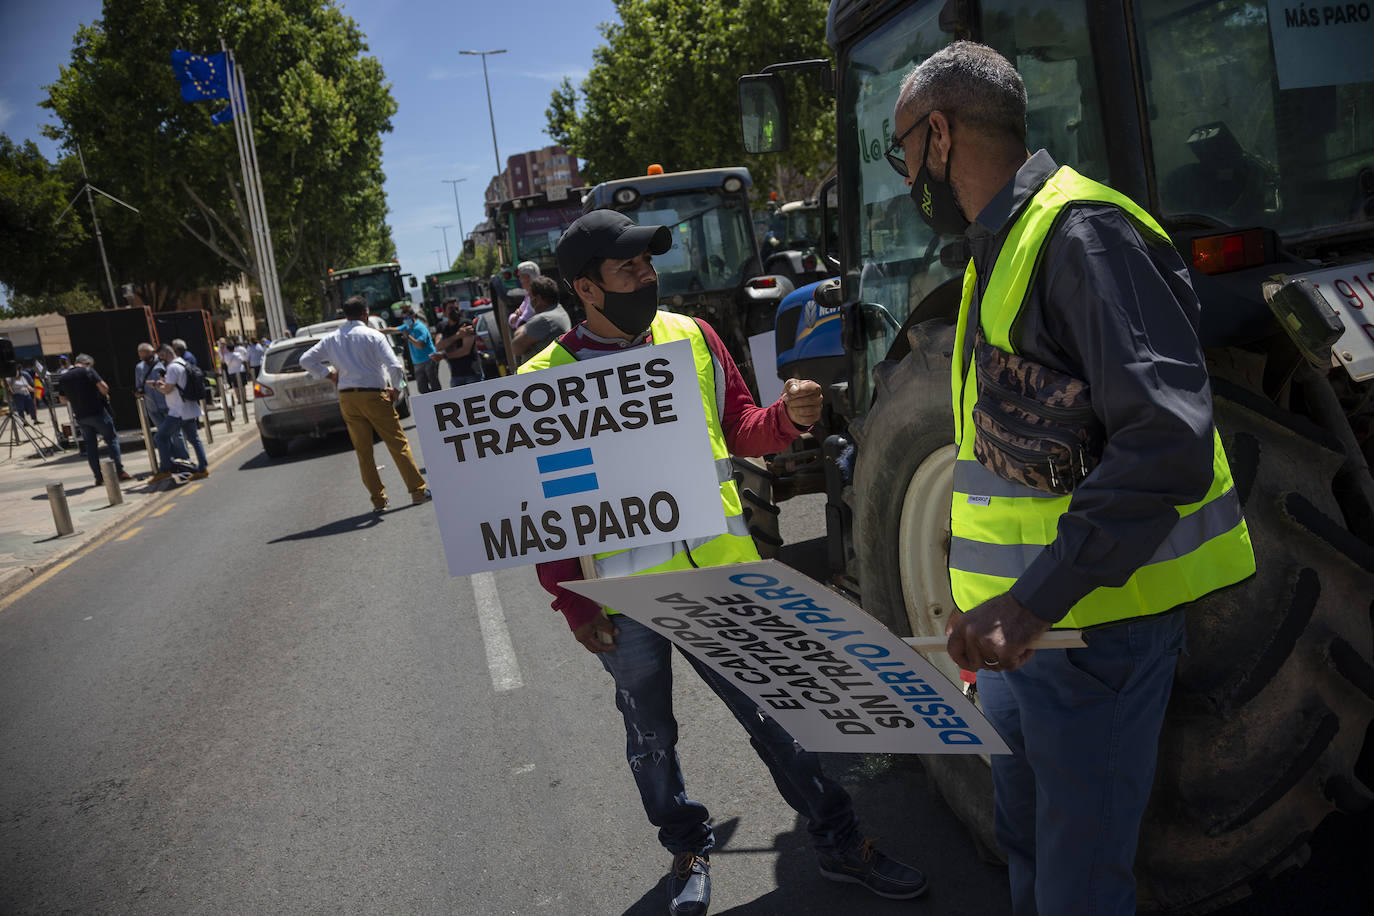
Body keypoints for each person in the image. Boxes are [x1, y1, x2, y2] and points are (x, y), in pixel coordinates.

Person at [889, 42, 1255, 915]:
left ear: (939, 135)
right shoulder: (1000, 247)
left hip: (1091, 633)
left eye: (902, 150)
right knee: (1029, 849)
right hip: (1023, 642)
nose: (905, 175)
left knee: (1080, 887)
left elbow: (1165, 440)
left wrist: (1032, 602)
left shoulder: (1081, 233)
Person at [526, 210, 927, 916]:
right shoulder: (540, 381)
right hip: (622, 601)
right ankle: (686, 848)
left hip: (719, 579)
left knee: (784, 719)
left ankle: (840, 840)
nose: (648, 277)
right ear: (586, 288)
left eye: (650, 264)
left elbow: (740, 428)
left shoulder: (693, 335)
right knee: (651, 739)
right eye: (629, 269)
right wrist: (575, 603)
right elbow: (542, 511)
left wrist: (790, 418)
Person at [299, 294, 431, 512]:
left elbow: (306, 360)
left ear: (345, 315)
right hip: (373, 394)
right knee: (397, 444)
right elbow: (395, 367)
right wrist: (397, 389)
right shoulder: (373, 335)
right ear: (366, 313)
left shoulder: (332, 338)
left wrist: (329, 374)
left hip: (348, 398)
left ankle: (379, 500)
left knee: (363, 451)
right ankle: (417, 491)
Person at [56, 354, 132, 485]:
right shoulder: (88, 371)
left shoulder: (64, 377)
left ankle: (98, 476)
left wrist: (76, 398)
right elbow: (104, 388)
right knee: (111, 439)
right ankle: (119, 472)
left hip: (80, 416)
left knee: (90, 446)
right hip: (98, 413)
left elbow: (62, 399)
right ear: (87, 363)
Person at [151, 342, 209, 481]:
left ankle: (166, 469)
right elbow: (176, 386)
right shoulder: (183, 363)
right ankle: (202, 468)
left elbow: (167, 389)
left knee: (160, 437)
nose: (160, 360)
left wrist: (156, 385)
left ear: (165, 354)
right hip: (189, 408)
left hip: (178, 411)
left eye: (160, 357)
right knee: (194, 439)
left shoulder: (172, 368)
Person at [133, 343, 188, 462]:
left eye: (147, 355)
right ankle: (172, 461)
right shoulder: (139, 368)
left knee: (176, 434)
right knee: (163, 435)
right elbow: (138, 385)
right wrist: (138, 392)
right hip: (152, 407)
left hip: (168, 405)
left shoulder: (163, 364)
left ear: (153, 352)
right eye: (142, 356)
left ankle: (184, 459)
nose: (145, 359)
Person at [510, 275, 570, 365]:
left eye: (530, 297)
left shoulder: (544, 320)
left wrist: (523, 329)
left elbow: (516, 347)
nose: (530, 302)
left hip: (539, 375)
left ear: (537, 298)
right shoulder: (560, 311)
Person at [392, 303, 440, 394]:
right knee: (422, 388)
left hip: (429, 360)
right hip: (417, 362)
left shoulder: (420, 328)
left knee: (434, 386)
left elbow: (420, 345)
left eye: (407, 318)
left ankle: (439, 401)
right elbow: (392, 330)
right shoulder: (406, 327)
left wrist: (408, 337)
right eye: (404, 318)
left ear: (413, 316)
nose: (405, 320)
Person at [432, 308, 483, 387]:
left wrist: (444, 356)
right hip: (456, 375)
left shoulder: (466, 324)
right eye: (451, 309)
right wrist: (457, 336)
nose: (454, 312)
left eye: (456, 308)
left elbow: (465, 350)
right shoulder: (442, 326)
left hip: (472, 373)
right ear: (444, 312)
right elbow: (438, 346)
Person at [506, 260, 541, 329]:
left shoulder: (535, 296)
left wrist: (516, 317)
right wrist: (516, 317)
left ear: (528, 277)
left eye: (520, 276)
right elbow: (511, 320)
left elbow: (521, 324)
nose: (519, 279)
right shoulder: (528, 296)